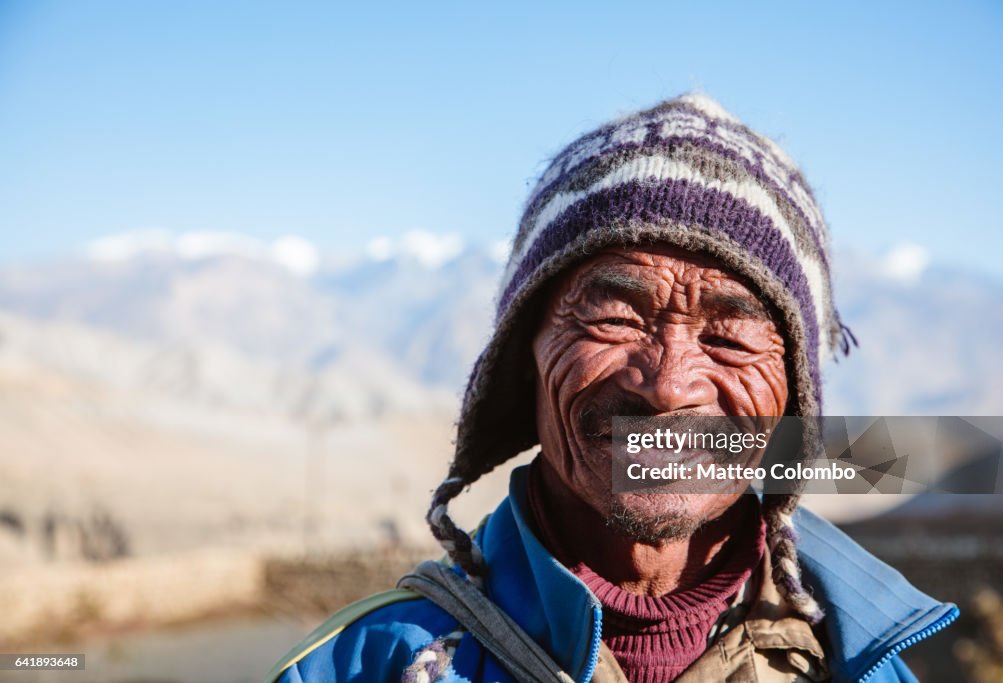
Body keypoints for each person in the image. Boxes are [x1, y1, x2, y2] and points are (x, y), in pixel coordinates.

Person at [265, 94, 958, 682]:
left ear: (791, 394)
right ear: (524, 357)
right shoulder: (363, 666)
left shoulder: (861, 661)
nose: (668, 386)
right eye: (614, 316)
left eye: (729, 335)